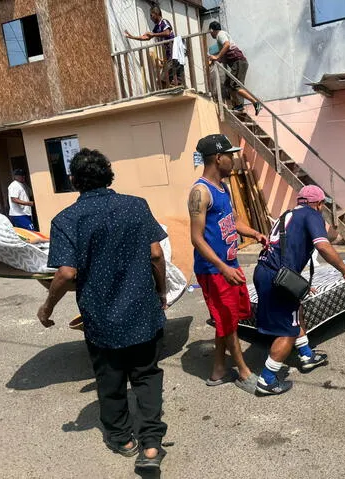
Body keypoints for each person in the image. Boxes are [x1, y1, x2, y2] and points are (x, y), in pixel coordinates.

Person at [37, 149, 169, 470]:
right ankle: (151, 445)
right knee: (147, 374)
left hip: (101, 317)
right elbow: (155, 255)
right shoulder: (136, 206)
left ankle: (122, 438)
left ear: (73, 181)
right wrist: (161, 291)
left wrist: (47, 307)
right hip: (142, 310)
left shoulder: (66, 219)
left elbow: (66, 273)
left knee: (109, 378)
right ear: (109, 174)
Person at [253, 185, 345, 395]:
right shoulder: (312, 215)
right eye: (322, 204)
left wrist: (299, 283)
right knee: (287, 331)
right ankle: (267, 379)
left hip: (264, 271)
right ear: (317, 204)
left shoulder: (287, 215)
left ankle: (306, 355)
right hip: (277, 277)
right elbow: (323, 246)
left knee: (296, 309)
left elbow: (286, 250)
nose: (322, 208)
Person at [188, 134, 268, 394]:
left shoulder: (223, 187)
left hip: (229, 265)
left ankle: (218, 369)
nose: (233, 160)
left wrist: (254, 233)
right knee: (227, 320)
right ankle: (243, 373)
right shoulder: (200, 192)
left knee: (227, 319)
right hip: (213, 270)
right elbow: (196, 239)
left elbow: (233, 221)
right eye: (230, 155)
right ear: (218, 158)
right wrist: (222, 267)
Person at [208, 21, 262, 115]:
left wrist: (216, 57)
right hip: (237, 63)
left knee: (235, 86)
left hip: (238, 62)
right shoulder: (220, 37)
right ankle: (238, 105)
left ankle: (255, 102)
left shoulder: (220, 34)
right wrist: (215, 60)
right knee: (228, 84)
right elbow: (224, 56)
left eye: (210, 31)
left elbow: (227, 45)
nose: (210, 33)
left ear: (212, 30)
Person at [124, 6, 183, 87]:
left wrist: (153, 34)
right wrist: (132, 37)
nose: (151, 18)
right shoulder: (157, 26)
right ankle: (173, 92)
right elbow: (147, 37)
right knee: (167, 80)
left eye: (151, 15)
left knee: (163, 80)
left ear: (157, 14)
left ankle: (170, 94)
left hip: (174, 53)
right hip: (169, 55)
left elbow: (167, 33)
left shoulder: (164, 22)